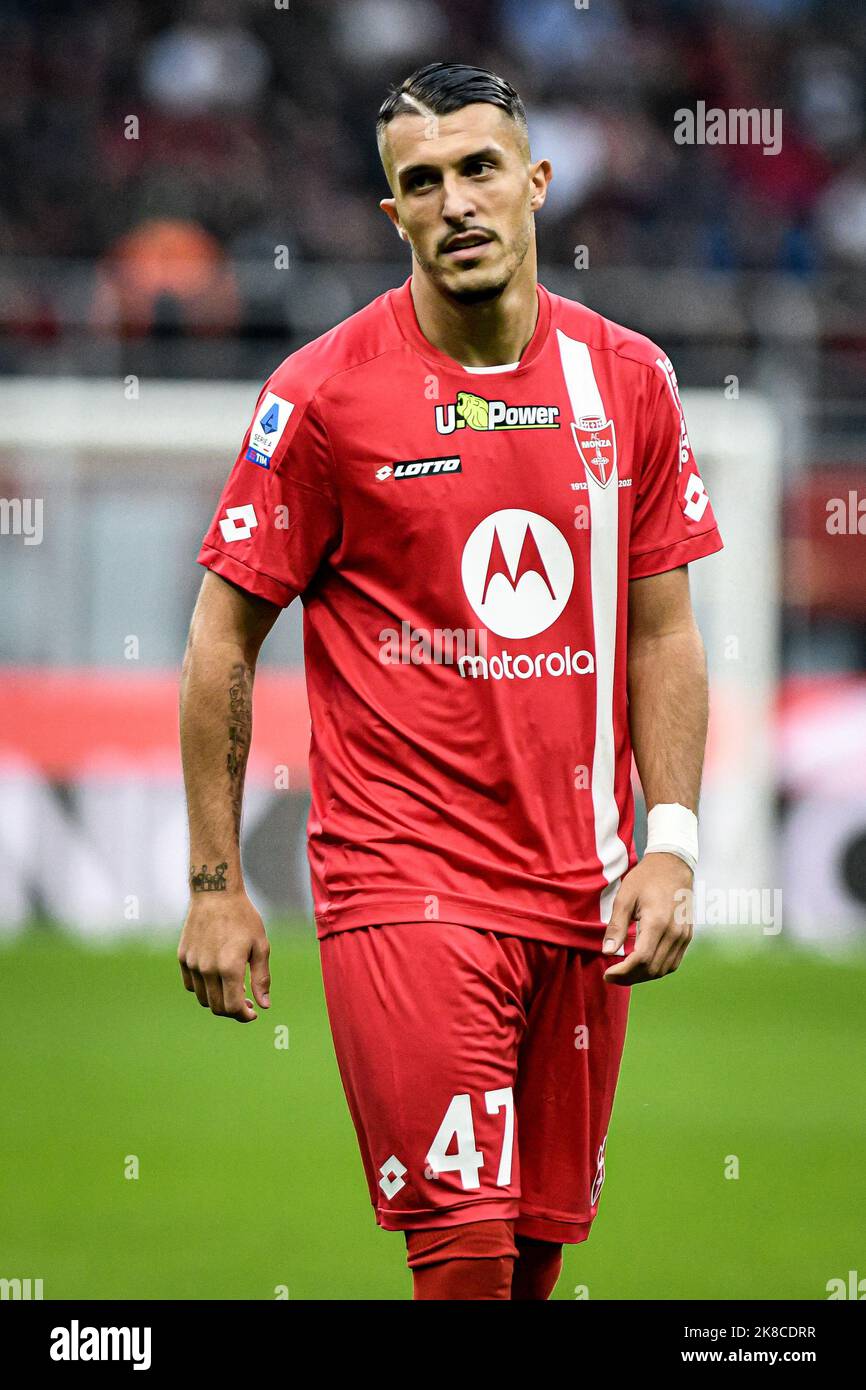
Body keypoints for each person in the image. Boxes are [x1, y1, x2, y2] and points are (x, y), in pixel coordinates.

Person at [177, 62, 723, 1301]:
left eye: (479, 169)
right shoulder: (319, 399)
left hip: (581, 893)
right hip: (403, 882)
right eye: (419, 183)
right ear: (393, 218)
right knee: (461, 1249)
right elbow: (222, 637)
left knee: (529, 1260)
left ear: (535, 184)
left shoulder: (626, 380)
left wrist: (671, 844)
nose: (454, 201)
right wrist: (215, 884)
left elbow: (661, 630)